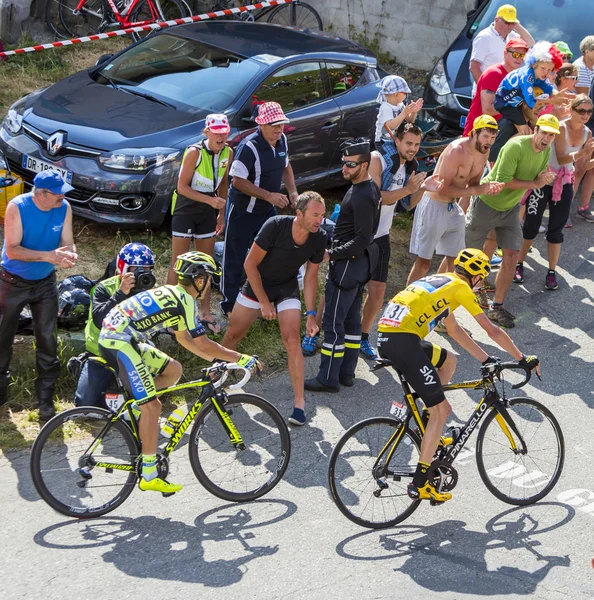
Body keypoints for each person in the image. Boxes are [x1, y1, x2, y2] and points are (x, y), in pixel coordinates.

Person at [376, 247, 540, 502]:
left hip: (391, 337)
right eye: (482, 278)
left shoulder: (443, 282)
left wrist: (486, 359)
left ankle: (429, 422)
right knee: (444, 410)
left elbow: (453, 330)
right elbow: (491, 330)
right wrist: (521, 358)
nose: (481, 284)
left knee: (448, 361)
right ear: (475, 276)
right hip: (402, 342)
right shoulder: (461, 288)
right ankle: (420, 484)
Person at [98, 252, 260, 495]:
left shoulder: (175, 293)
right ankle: (149, 474)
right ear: (199, 279)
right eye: (208, 279)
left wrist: (217, 362)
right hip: (118, 342)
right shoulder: (184, 299)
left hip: (121, 337)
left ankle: (135, 413)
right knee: (152, 406)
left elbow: (185, 339)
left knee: (173, 369)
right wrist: (241, 359)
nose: (209, 285)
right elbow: (204, 343)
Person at [221, 192, 327, 426]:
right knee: (232, 335)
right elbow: (250, 264)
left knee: (292, 341)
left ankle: (299, 404)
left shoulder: (319, 238)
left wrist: (311, 315)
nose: (320, 220)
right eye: (315, 214)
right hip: (257, 284)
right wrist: (263, 302)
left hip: (286, 288)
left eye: (322, 215)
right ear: (299, 214)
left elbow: (310, 278)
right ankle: (217, 386)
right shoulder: (275, 225)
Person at [465, 114, 560, 328]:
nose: (547, 138)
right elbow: (504, 180)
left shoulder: (546, 150)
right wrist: (535, 183)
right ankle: (460, 303)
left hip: (509, 209)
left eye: (552, 135)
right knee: (468, 255)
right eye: (544, 132)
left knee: (512, 254)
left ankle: (496, 307)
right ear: (535, 130)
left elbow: (540, 173)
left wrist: (545, 176)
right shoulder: (515, 146)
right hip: (487, 203)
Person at [304, 138, 381, 393]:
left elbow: (363, 238)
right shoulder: (365, 188)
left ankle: (328, 378)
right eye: (343, 163)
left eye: (350, 164)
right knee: (350, 322)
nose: (344, 169)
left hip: (349, 265)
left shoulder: (362, 195)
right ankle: (347, 373)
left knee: (332, 323)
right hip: (359, 266)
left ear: (365, 164)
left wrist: (332, 254)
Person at [0, 171, 77, 420]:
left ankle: (46, 401)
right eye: (58, 193)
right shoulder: (17, 208)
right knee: (2, 341)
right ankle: (2, 398)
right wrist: (49, 256)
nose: (63, 196)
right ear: (41, 193)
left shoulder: (63, 207)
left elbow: (68, 242)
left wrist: (70, 255)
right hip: (11, 282)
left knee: (48, 341)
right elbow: (12, 250)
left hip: (45, 283)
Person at [220, 102, 298, 317]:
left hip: (267, 210)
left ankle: (259, 297)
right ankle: (229, 304)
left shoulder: (281, 140)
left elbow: (286, 166)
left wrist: (292, 192)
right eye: (273, 124)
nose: (278, 128)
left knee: (268, 254)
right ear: (261, 125)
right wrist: (269, 195)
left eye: (281, 124)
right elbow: (237, 181)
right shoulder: (249, 146)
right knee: (234, 255)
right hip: (243, 210)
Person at [407, 115, 503, 285]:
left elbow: (474, 184)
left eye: (493, 137)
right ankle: (407, 305)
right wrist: (476, 189)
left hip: (452, 208)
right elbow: (441, 189)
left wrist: (487, 189)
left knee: (456, 263)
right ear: (474, 134)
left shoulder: (484, 151)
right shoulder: (456, 150)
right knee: (423, 263)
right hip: (433, 205)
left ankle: (440, 299)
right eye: (486, 136)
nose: (489, 141)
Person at [360, 123, 426, 360]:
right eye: (408, 143)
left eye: (417, 145)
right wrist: (409, 188)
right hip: (359, 234)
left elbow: (407, 205)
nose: (413, 149)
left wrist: (421, 188)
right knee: (344, 286)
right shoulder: (378, 159)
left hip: (381, 235)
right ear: (396, 140)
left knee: (378, 292)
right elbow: (376, 197)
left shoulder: (410, 165)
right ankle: (314, 330)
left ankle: (362, 336)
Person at [515, 96, 594, 289]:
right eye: (581, 111)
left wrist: (589, 159)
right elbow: (561, 156)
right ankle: (519, 263)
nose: (585, 115)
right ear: (572, 110)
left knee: (556, 231)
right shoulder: (560, 127)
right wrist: (581, 154)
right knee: (531, 227)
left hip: (565, 183)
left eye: (589, 112)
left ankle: (551, 272)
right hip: (544, 179)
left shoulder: (587, 133)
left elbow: (582, 166)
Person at [167, 114, 232, 333]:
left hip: (208, 208)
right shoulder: (194, 152)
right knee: (179, 261)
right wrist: (210, 201)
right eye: (216, 132)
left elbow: (223, 182)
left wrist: (220, 212)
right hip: (187, 206)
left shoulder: (228, 152)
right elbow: (182, 187)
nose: (221, 136)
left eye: (224, 131)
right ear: (207, 133)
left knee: (206, 262)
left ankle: (205, 312)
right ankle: (169, 311)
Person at [74, 243, 156, 408]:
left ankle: (122, 395)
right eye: (136, 270)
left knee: (152, 396)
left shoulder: (149, 289)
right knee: (84, 405)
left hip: (134, 351)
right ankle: (90, 372)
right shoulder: (103, 288)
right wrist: (121, 293)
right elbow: (99, 319)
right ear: (122, 269)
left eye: (147, 270)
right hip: (102, 353)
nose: (142, 274)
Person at [490, 41, 570, 161]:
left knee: (529, 130)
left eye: (550, 70)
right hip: (506, 104)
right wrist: (551, 101)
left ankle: (510, 153)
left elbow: (549, 89)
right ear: (534, 64)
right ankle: (501, 154)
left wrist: (558, 95)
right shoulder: (527, 76)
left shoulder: (537, 75)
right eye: (543, 68)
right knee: (525, 131)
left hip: (515, 104)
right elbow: (531, 103)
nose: (546, 73)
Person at [463, 38, 529, 137]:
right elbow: (488, 109)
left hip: (496, 134)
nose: (519, 58)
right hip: (477, 135)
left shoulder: (518, 78)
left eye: (523, 56)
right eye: (516, 54)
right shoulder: (494, 74)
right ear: (505, 53)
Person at [374, 75, 423, 190]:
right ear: (396, 94)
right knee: (394, 162)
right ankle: (384, 188)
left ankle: (406, 189)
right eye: (404, 93)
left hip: (395, 140)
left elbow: (409, 121)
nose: (406, 95)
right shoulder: (385, 107)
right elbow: (391, 126)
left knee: (413, 163)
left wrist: (414, 112)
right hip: (383, 142)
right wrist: (404, 112)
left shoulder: (400, 105)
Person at [469, 4, 534, 85]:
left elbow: (530, 43)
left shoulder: (512, 36)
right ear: (496, 20)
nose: (510, 26)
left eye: (513, 23)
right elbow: (474, 67)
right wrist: (484, 90)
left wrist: (516, 25)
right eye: (507, 22)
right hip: (487, 90)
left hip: (503, 91)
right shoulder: (484, 37)